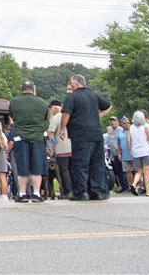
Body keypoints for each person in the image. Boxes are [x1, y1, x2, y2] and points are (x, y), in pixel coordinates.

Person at [60, 73, 111, 201]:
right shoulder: (93, 95)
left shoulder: (72, 97)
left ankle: (81, 192)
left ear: (76, 84)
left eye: (71, 83)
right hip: (97, 134)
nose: (69, 85)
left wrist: (62, 128)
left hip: (80, 134)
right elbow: (108, 105)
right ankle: (97, 191)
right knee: (97, 164)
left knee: (80, 164)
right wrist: (99, 115)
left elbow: (66, 113)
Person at [8, 80, 49, 202]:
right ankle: (36, 193)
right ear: (33, 89)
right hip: (37, 137)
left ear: (22, 89)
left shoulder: (14, 102)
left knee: (23, 166)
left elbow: (12, 117)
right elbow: (46, 121)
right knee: (37, 166)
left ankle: (22, 194)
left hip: (21, 137)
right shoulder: (42, 102)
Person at [127, 111, 149, 196]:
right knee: (146, 172)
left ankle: (133, 184)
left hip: (136, 152)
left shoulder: (131, 128)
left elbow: (128, 140)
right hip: (146, 151)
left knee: (139, 171)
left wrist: (130, 150)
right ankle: (148, 191)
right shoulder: (145, 128)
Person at [47, 100, 72, 199]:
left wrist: (51, 149)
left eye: (51, 108)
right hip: (73, 146)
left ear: (55, 107)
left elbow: (50, 134)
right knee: (72, 170)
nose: (50, 111)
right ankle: (76, 189)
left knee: (63, 171)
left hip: (62, 148)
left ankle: (67, 191)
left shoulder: (55, 117)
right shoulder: (70, 115)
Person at [105, 116, 128, 193]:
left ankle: (127, 185)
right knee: (118, 171)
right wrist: (111, 154)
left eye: (114, 121)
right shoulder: (110, 131)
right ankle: (121, 185)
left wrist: (120, 152)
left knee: (124, 170)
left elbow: (121, 142)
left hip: (121, 153)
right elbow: (110, 143)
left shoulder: (120, 130)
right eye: (111, 121)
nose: (112, 122)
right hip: (114, 153)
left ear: (117, 122)